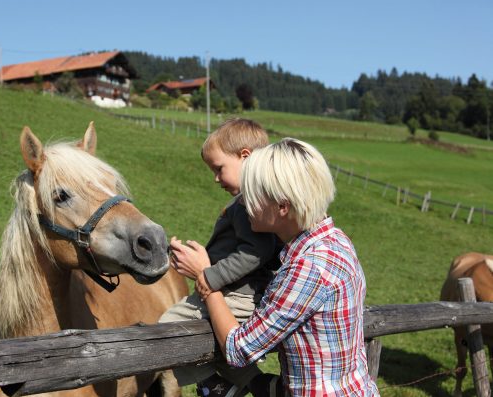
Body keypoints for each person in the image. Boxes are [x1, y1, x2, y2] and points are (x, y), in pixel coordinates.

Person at [171, 138, 380, 396]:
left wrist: (207, 282)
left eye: (252, 195)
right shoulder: (336, 241)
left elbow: (239, 349)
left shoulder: (308, 268)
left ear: (282, 206)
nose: (244, 203)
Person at [159, 118, 282, 396]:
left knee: (167, 326)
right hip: (242, 292)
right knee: (219, 345)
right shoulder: (259, 202)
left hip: (233, 294)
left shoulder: (246, 204)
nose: (215, 178)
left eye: (219, 168)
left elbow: (256, 252)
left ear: (245, 157)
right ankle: (259, 384)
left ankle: (214, 386)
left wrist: (209, 276)